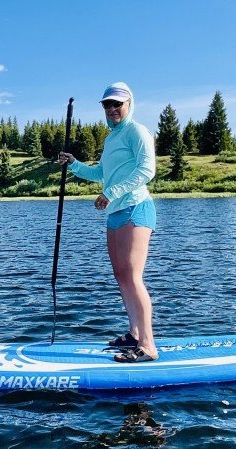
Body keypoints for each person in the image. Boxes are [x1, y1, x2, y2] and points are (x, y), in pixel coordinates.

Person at [58, 82, 158, 363]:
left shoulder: (136, 131)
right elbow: (101, 173)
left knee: (133, 277)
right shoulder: (111, 138)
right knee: (121, 275)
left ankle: (148, 346)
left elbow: (147, 170)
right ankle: (134, 334)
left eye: (117, 104)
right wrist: (74, 164)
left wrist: (111, 192)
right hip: (115, 213)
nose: (112, 109)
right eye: (107, 105)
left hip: (135, 208)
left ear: (129, 104)